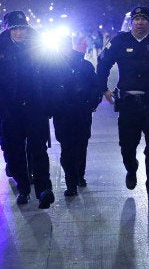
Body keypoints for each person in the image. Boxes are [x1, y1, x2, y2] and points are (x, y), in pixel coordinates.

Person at [0, 10, 55, 209]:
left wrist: (50, 100)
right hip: (9, 108)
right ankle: (23, 188)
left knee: (38, 149)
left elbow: (52, 74)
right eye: (15, 28)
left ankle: (44, 189)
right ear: (7, 29)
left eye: (22, 28)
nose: (19, 32)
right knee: (15, 150)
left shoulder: (39, 45)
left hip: (35, 106)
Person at [97, 7, 149, 202]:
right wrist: (103, 88)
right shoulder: (119, 41)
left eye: (143, 19)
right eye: (136, 19)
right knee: (127, 146)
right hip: (128, 103)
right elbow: (103, 64)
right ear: (131, 22)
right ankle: (131, 168)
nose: (140, 22)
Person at [45, 35, 101, 196]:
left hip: (81, 111)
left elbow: (94, 86)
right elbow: (47, 88)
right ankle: (71, 182)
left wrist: (90, 103)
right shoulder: (51, 67)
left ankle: (79, 176)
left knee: (81, 145)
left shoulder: (84, 65)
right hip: (62, 113)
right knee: (67, 147)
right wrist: (51, 107)